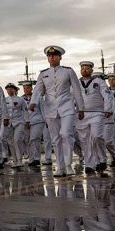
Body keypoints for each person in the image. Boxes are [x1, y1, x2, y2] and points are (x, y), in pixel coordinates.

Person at [29, 46, 85, 177]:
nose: (51, 58)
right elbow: (37, 90)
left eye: (54, 55)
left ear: (60, 57)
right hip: (50, 109)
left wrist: (81, 108)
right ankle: (60, 167)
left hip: (67, 108)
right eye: (49, 56)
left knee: (66, 134)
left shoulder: (68, 71)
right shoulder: (43, 74)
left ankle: (68, 165)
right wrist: (33, 102)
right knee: (56, 139)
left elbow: (77, 89)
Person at [75, 61, 112, 174]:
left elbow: (107, 95)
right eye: (83, 68)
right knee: (85, 140)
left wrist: (108, 109)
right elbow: (71, 98)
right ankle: (90, 164)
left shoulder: (99, 81)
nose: (85, 70)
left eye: (87, 68)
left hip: (97, 113)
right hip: (81, 114)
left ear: (91, 70)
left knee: (96, 137)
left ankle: (102, 158)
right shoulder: (75, 83)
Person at [3, 83, 30, 169]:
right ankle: (14, 160)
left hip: (19, 122)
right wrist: (3, 120)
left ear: (15, 90)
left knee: (17, 140)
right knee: (10, 142)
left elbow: (25, 110)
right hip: (8, 123)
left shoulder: (20, 100)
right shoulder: (4, 100)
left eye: (11, 89)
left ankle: (19, 160)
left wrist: (27, 121)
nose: (10, 90)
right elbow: (2, 111)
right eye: (8, 89)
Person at [20, 81, 44, 167]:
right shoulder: (21, 99)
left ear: (31, 88)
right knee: (27, 140)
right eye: (24, 88)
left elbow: (43, 109)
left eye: (28, 88)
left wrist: (46, 121)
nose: (26, 89)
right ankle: (31, 158)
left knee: (34, 138)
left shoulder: (38, 97)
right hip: (26, 122)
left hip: (37, 121)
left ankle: (36, 158)